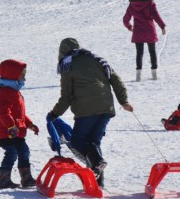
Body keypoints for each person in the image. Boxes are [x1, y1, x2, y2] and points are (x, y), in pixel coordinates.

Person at [48, 38, 133, 188]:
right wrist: (123, 101)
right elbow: (116, 79)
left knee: (77, 142)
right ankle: (97, 181)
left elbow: (67, 95)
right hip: (106, 108)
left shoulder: (67, 64)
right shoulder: (96, 59)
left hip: (86, 110)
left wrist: (55, 113)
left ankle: (97, 164)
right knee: (94, 143)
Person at [0, 59, 39, 189]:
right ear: (12, 76)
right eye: (22, 76)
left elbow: (20, 114)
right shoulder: (5, 93)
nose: (24, 79)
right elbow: (2, 113)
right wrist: (10, 126)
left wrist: (29, 124)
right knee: (12, 153)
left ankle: (26, 178)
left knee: (24, 151)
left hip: (16, 131)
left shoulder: (14, 91)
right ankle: (4, 180)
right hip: (5, 132)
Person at [123, 0, 166, 81]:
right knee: (152, 52)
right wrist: (162, 26)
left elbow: (125, 19)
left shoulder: (132, 5)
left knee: (139, 53)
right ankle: (154, 75)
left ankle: (138, 76)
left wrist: (129, 26)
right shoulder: (150, 4)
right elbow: (156, 16)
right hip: (150, 31)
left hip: (138, 32)